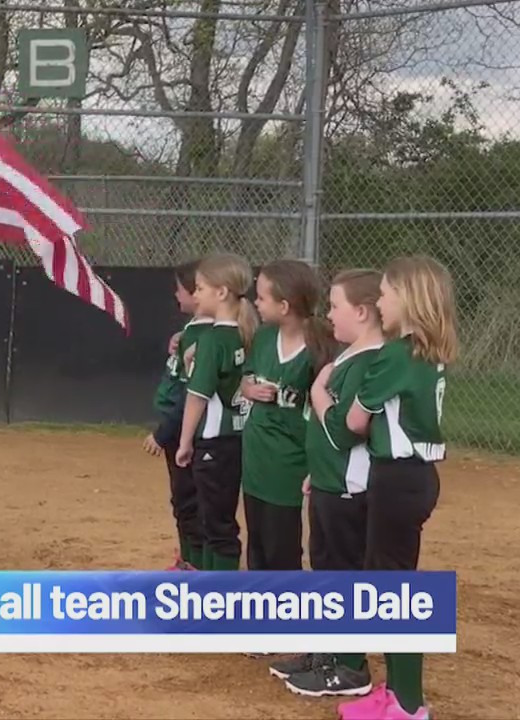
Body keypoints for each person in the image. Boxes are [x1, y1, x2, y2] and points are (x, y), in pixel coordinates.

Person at [337, 256, 458, 720]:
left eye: (385, 293)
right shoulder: (427, 351)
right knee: (389, 583)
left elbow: (354, 421)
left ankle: (407, 705)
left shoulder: (397, 352)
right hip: (415, 477)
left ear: (409, 298)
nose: (380, 301)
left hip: (397, 477)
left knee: (392, 592)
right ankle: (397, 693)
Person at [274, 269, 385, 697]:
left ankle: (351, 667)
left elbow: (344, 431)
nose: (329, 314)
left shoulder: (368, 362)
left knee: (342, 572)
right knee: (325, 567)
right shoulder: (349, 355)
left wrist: (319, 390)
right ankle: (327, 652)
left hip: (348, 486)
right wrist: (315, 471)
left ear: (361, 311)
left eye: (336, 306)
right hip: (328, 480)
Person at [241, 259, 335, 572]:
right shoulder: (266, 337)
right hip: (256, 453)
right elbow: (247, 376)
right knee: (257, 544)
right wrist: (249, 389)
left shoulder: (320, 347)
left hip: (291, 458)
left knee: (281, 544)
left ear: (285, 305)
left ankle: (285, 613)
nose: (255, 302)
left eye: (262, 297)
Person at [176, 252, 258, 571]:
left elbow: (197, 396)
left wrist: (184, 443)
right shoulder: (246, 332)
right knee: (220, 521)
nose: (195, 295)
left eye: (200, 288)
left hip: (213, 441)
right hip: (238, 438)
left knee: (216, 526)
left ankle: (214, 599)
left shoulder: (212, 339)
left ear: (221, 292)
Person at [144, 259, 210, 570]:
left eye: (181, 290)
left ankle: (194, 565)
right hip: (181, 427)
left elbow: (190, 393)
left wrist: (164, 431)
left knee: (190, 502)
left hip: (188, 430)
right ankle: (187, 561)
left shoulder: (203, 335)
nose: (176, 295)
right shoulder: (190, 332)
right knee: (182, 502)